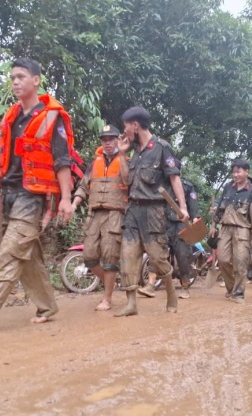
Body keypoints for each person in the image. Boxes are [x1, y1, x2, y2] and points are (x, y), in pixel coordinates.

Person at [0, 58, 76, 335]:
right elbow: (0, 162)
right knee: (28, 256)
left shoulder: (52, 116)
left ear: (36, 81)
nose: (15, 81)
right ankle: (47, 306)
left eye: (21, 76)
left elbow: (62, 162)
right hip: (8, 196)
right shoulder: (11, 118)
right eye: (13, 77)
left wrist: (67, 200)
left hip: (32, 198)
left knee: (9, 256)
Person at [115, 106, 189, 317]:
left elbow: (174, 178)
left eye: (126, 127)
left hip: (153, 211)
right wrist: (121, 154)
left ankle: (171, 293)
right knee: (127, 255)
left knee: (157, 257)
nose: (125, 132)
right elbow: (124, 180)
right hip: (133, 211)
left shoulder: (161, 148)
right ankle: (131, 304)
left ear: (135, 125)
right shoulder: (135, 151)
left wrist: (183, 207)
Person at [71, 124, 127, 311]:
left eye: (111, 139)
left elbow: (129, 183)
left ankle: (107, 298)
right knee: (89, 257)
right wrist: (74, 204)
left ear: (118, 140)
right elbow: (84, 186)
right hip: (94, 213)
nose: (107, 143)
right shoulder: (95, 163)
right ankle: (112, 283)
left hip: (115, 214)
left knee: (110, 257)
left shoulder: (126, 160)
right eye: (104, 140)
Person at [138, 176, 200, 299]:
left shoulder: (187, 186)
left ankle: (185, 286)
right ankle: (150, 285)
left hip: (180, 225)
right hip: (162, 223)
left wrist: (195, 219)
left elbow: (193, 206)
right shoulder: (159, 185)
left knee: (182, 255)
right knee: (156, 253)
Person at [211, 159, 252, 303]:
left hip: (242, 229)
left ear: (246, 172)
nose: (236, 174)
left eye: (238, 171)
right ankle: (231, 287)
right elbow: (221, 206)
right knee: (223, 259)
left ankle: (238, 293)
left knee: (240, 261)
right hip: (225, 228)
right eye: (234, 171)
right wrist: (214, 225)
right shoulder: (228, 187)